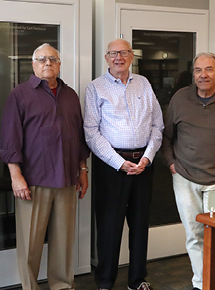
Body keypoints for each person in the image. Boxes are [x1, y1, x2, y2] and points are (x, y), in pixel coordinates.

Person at [0, 43, 90, 290]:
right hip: (33, 180)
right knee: (31, 243)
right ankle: (30, 287)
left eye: (52, 59)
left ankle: (62, 285)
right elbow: (9, 139)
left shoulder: (70, 95)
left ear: (59, 64)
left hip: (67, 178)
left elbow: (79, 137)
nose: (47, 63)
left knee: (63, 241)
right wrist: (15, 176)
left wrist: (83, 171)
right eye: (42, 59)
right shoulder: (19, 94)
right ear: (33, 65)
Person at [84, 39, 164, 290]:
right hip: (111, 166)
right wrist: (120, 163)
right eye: (114, 53)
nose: (119, 57)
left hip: (143, 164)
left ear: (132, 56)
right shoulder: (95, 88)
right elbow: (91, 133)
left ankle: (137, 280)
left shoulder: (144, 83)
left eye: (124, 53)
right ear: (106, 58)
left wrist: (147, 158)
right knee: (109, 225)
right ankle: (105, 282)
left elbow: (157, 126)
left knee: (140, 225)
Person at [162, 52, 215, 290]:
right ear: (193, 74)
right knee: (194, 235)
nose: (203, 75)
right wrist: (172, 165)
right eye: (198, 70)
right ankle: (201, 284)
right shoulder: (180, 98)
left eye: (208, 69)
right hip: (185, 178)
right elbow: (166, 137)